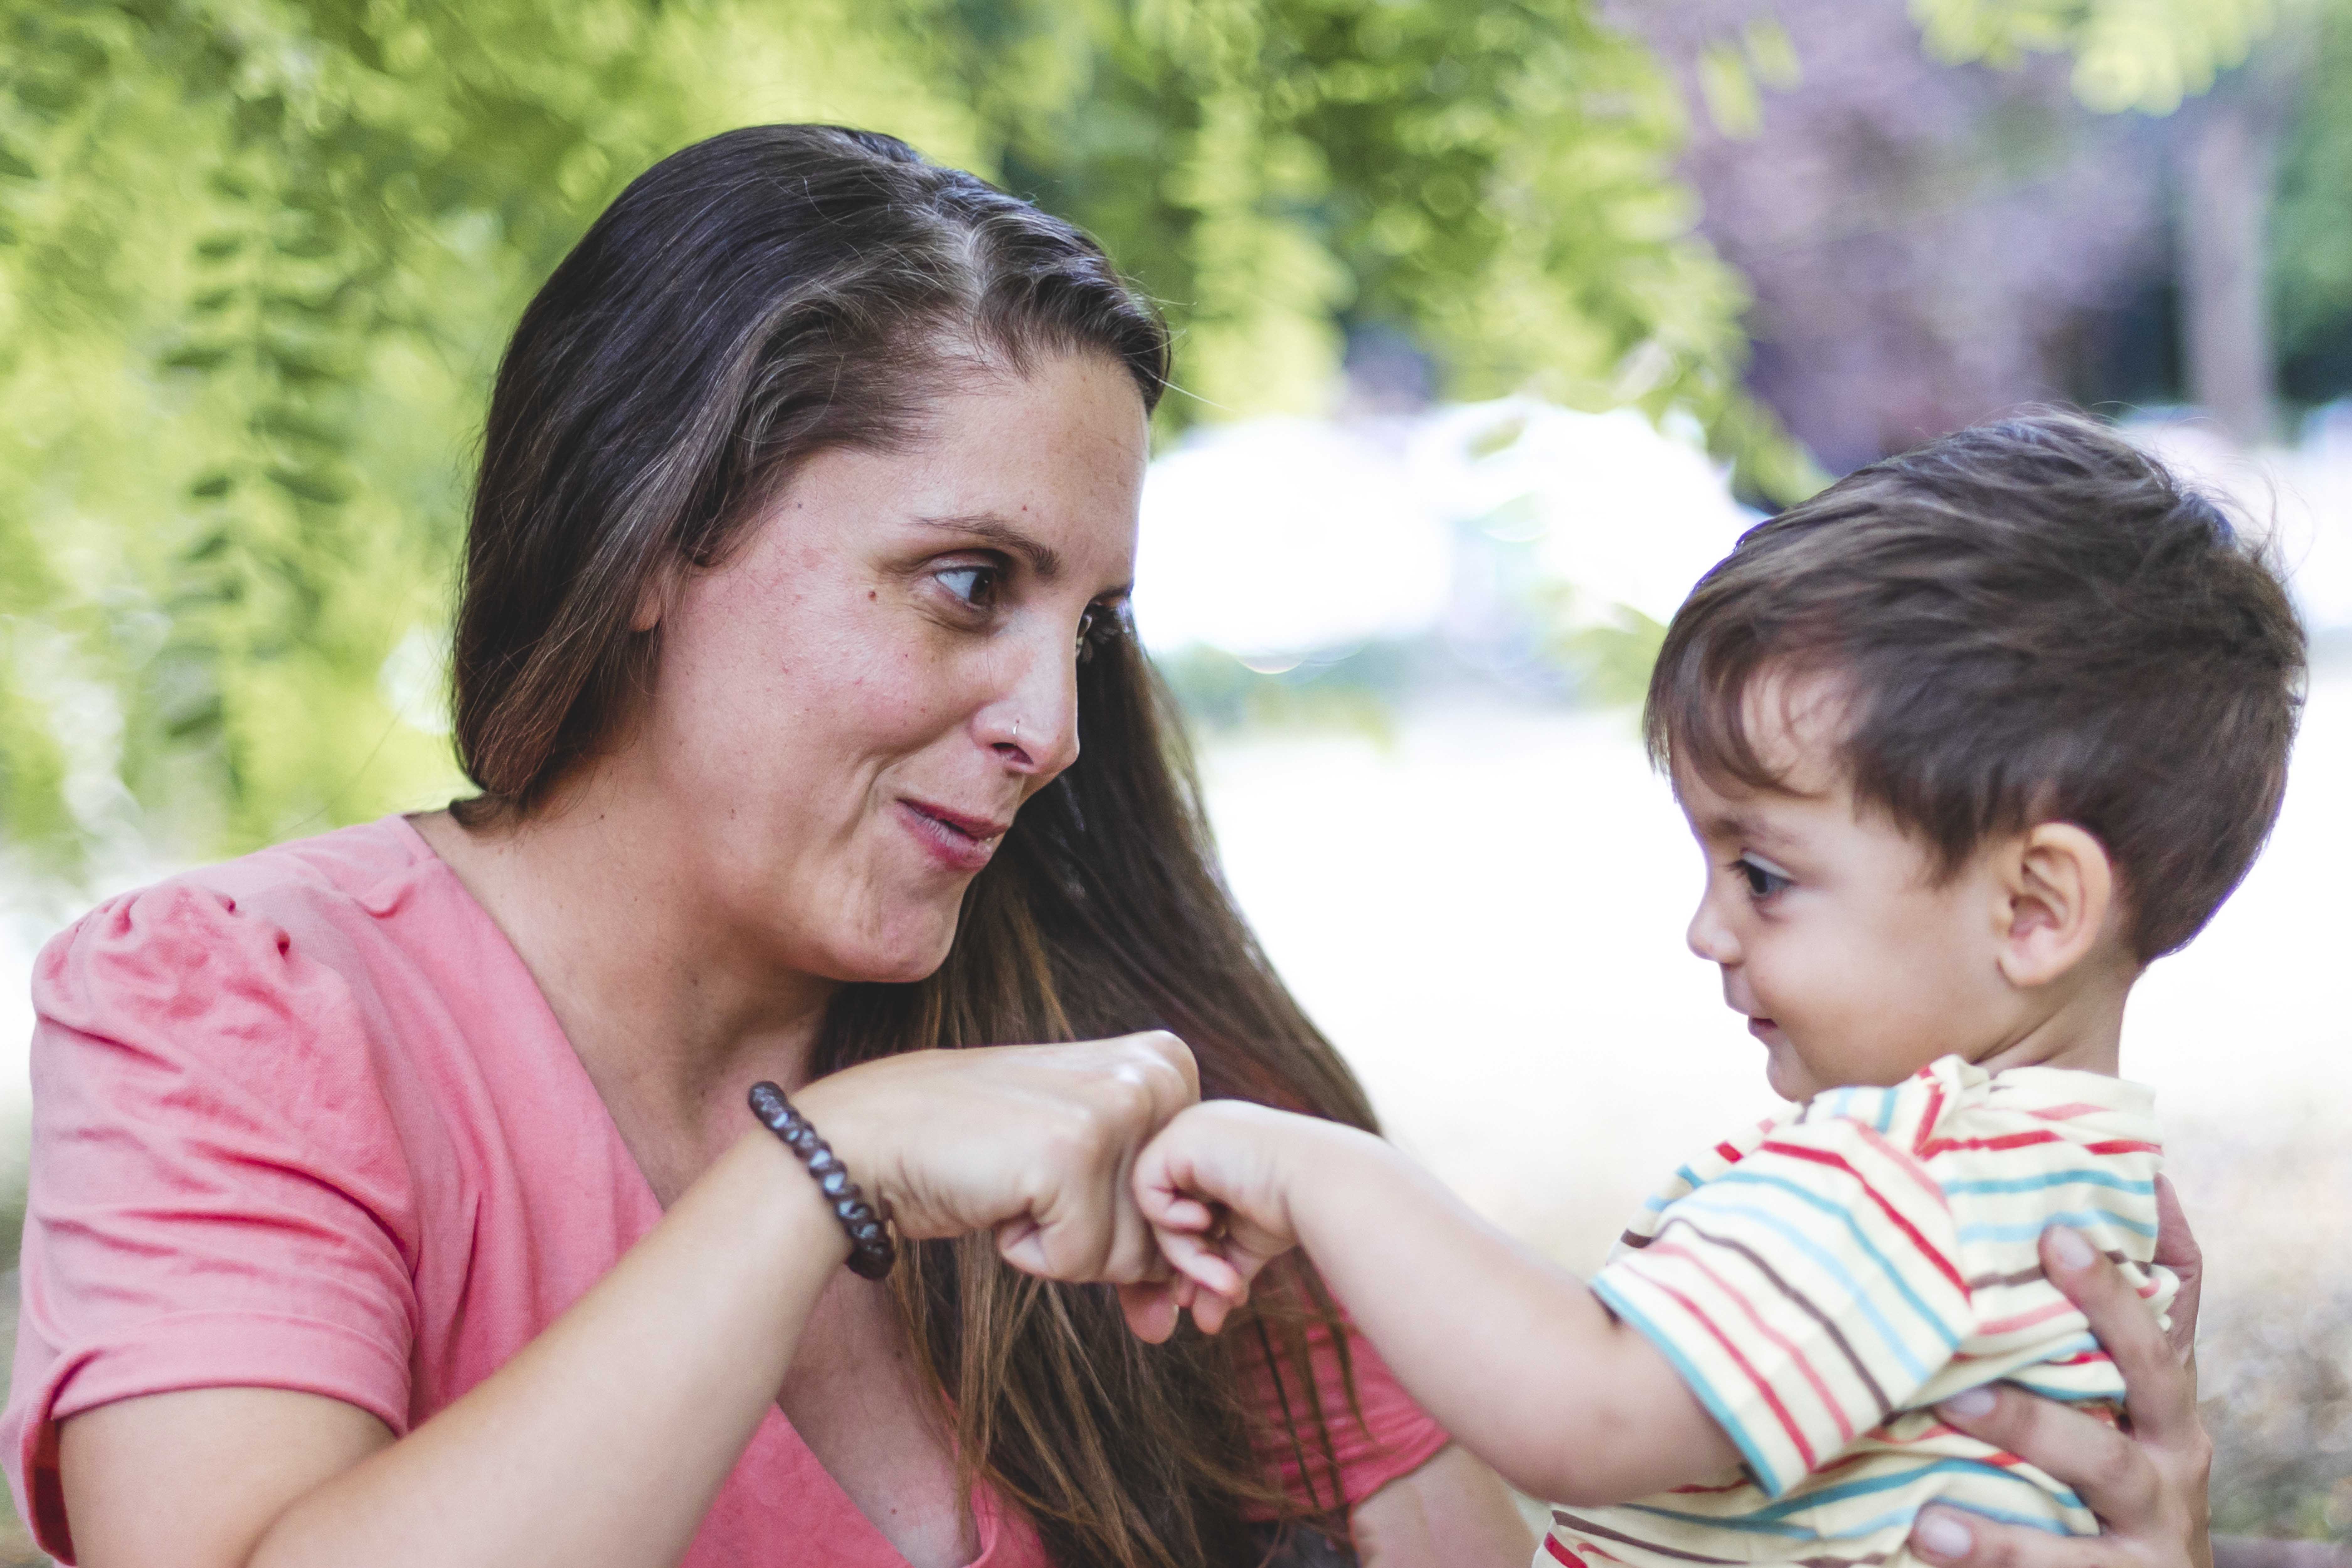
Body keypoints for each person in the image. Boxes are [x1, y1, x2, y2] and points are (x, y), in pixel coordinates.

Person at [0, 124, 2211, 1568]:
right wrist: (817, 1180)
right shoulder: (251, 1008)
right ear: (655, 529)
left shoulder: (1147, 1100)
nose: (1059, 729)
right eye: (967, 583)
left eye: (1097, 624)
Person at [1132, 413, 2286, 1568]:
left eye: (1766, 875)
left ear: (2034, 908)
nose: (1705, 930)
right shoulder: (2070, 1188)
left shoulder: (1913, 1176)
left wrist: (1314, 1168)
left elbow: (1583, 1415)